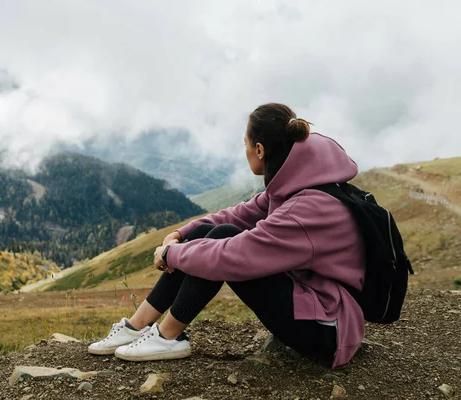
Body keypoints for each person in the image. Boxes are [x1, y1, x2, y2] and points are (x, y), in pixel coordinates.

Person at [88, 103, 365, 368]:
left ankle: (169, 337)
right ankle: (137, 326)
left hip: (329, 328)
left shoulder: (308, 208)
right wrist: (178, 234)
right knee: (208, 231)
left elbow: (234, 255)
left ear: (259, 149)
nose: (244, 150)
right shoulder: (291, 185)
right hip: (309, 303)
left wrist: (172, 254)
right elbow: (235, 215)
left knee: (222, 240)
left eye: (245, 144)